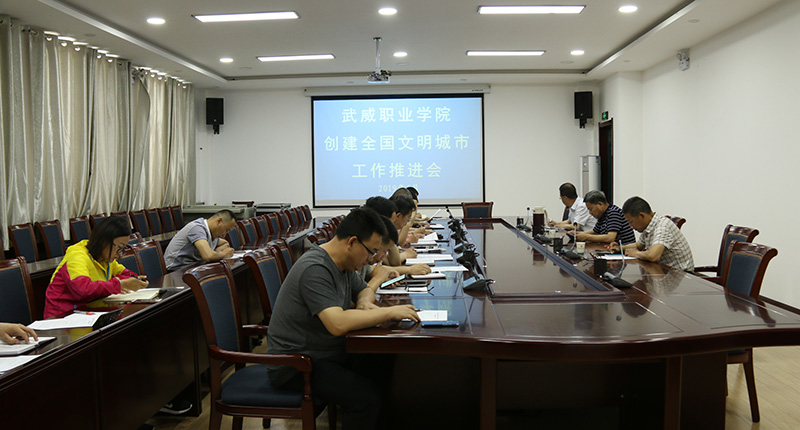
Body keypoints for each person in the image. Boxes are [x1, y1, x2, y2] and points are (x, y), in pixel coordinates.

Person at [266, 207, 420, 430]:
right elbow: (337, 324)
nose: (371, 260)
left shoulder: (344, 263)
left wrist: (364, 302)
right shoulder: (315, 268)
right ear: (352, 243)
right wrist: (387, 312)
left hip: (325, 352)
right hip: (297, 364)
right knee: (365, 399)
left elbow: (363, 289)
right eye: (371, 252)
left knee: (384, 365)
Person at [43, 217, 149, 318]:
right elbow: (83, 289)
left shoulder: (106, 259)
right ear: (104, 241)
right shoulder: (77, 257)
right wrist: (118, 285)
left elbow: (128, 275)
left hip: (88, 312)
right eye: (119, 248)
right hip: (63, 317)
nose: (120, 254)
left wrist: (125, 283)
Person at [614, 196, 694, 271]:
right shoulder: (649, 225)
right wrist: (620, 248)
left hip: (681, 275)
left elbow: (653, 256)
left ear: (641, 215)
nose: (630, 226)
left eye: (631, 222)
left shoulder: (662, 226)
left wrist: (635, 253)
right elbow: (639, 245)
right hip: (664, 271)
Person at [163, 209, 237, 271]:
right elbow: (208, 256)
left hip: (192, 267)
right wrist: (223, 254)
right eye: (226, 230)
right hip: (176, 270)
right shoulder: (197, 228)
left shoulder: (212, 233)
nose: (224, 235)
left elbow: (224, 243)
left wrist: (216, 254)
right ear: (219, 221)